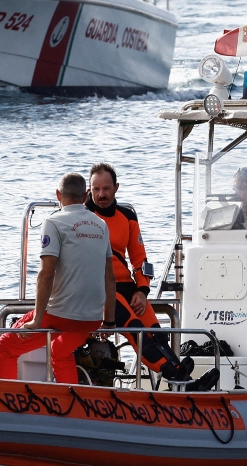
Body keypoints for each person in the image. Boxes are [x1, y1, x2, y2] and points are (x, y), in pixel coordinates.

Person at [86, 163, 216, 389]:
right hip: (101, 289)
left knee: (155, 331)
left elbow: (140, 260)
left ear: (116, 188)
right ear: (89, 190)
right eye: (96, 189)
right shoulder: (82, 217)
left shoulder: (127, 217)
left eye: (106, 189)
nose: (101, 194)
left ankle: (181, 377)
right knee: (137, 330)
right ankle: (177, 376)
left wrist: (142, 290)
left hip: (127, 287)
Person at [0, 173, 116, 384]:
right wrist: (109, 321)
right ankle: (71, 403)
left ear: (58, 194)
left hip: (61, 314)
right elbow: (110, 277)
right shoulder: (101, 225)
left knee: (6, 345)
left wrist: (37, 319)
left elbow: (46, 273)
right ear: (86, 194)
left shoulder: (53, 222)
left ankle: (7, 402)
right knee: (59, 350)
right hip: (93, 318)